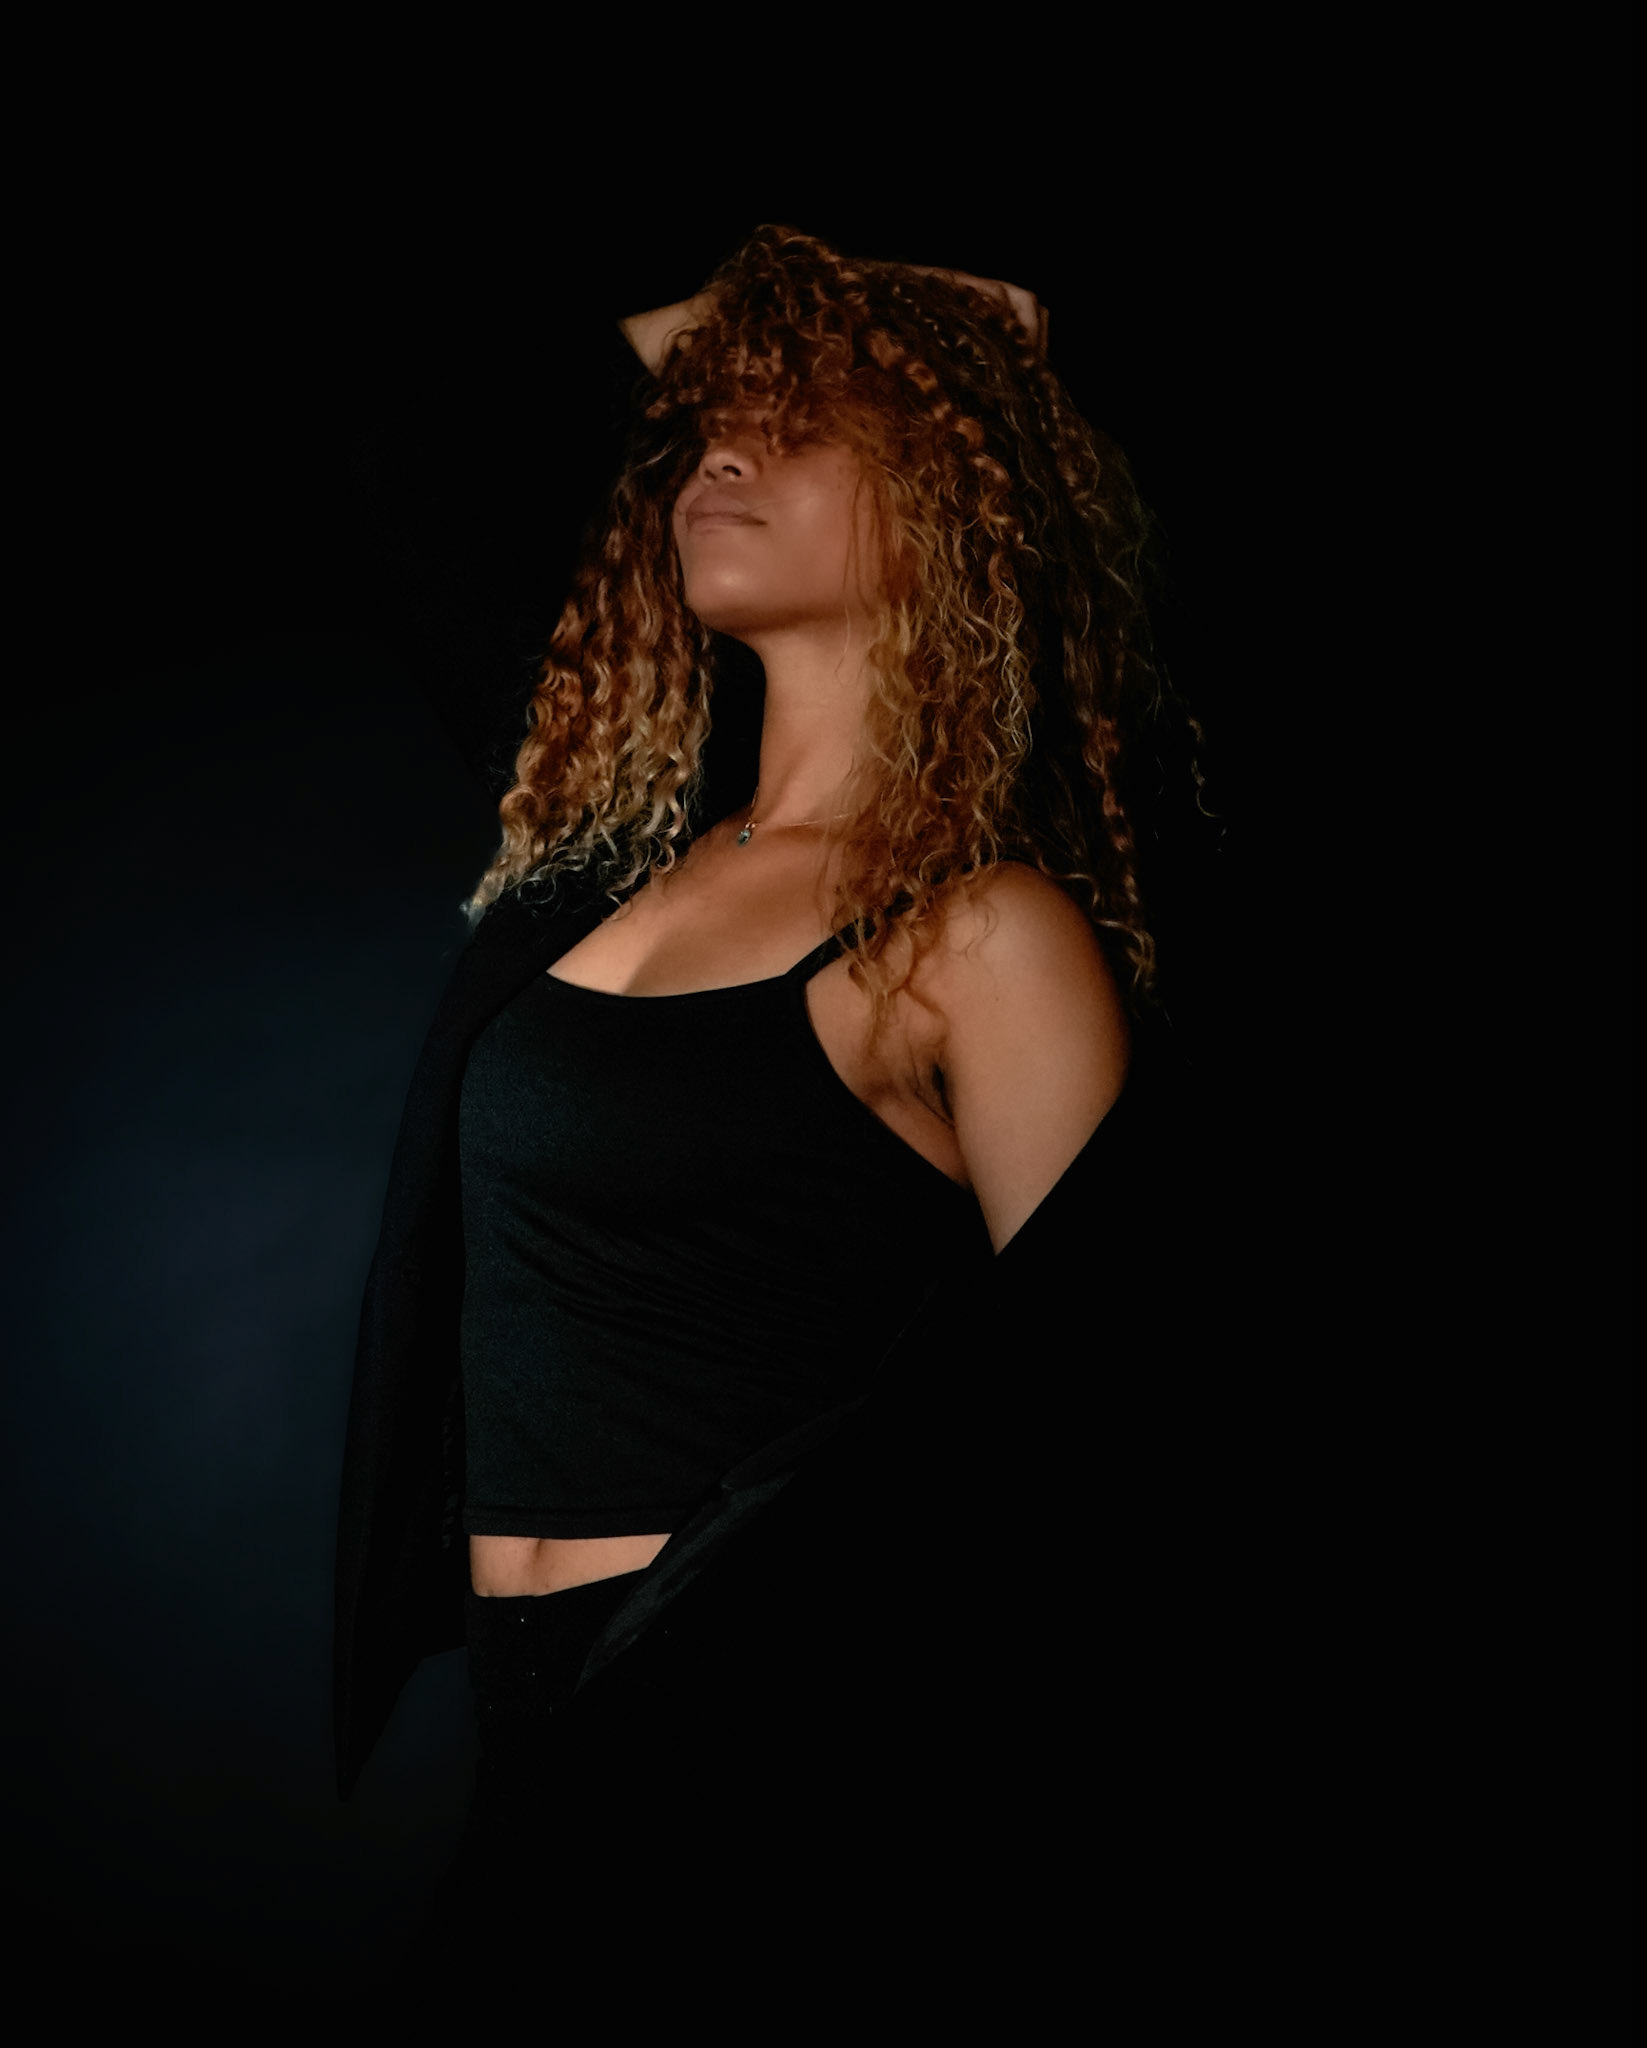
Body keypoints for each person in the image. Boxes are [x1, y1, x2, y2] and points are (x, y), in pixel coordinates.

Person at [336, 224, 1223, 1976]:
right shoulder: (608, 856)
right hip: (533, 1718)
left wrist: (959, 343)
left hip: (768, 1736)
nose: (725, 447)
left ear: (952, 504)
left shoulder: (979, 934)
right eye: (714, 420)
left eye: (808, 425)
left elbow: (1108, 1454)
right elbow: (397, 419)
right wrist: (807, 323)